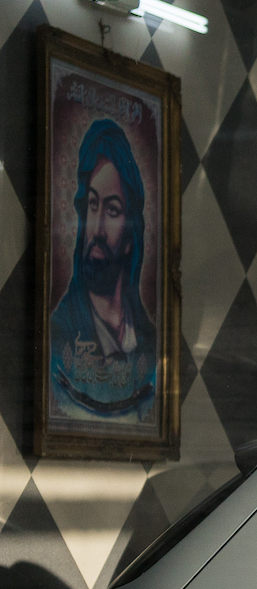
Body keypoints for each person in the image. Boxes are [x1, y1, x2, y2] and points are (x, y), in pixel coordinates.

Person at [48, 117, 157, 421]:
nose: (95, 228)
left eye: (111, 210)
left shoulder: (148, 340)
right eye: (92, 205)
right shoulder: (61, 330)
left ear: (130, 236)